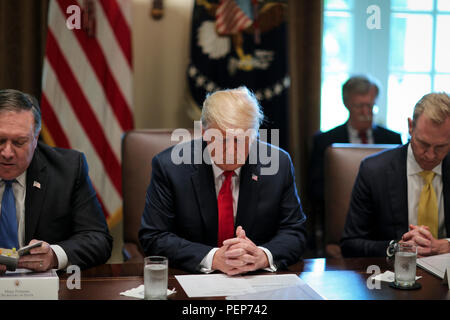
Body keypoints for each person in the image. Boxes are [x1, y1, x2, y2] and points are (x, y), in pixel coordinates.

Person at [139, 86, 307, 275]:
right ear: (204, 132)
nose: (231, 151)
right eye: (222, 140)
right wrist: (213, 258)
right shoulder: (170, 167)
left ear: (255, 135)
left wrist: (263, 255)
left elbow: (295, 232)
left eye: (241, 140)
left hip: (255, 281)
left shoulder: (278, 164)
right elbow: (154, 236)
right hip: (191, 280)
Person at [0, 89, 112, 274]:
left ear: (36, 139)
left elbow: (98, 238)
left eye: (19, 142)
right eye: (0, 140)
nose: (7, 153)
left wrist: (53, 255)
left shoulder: (67, 169)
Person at [341, 92, 450, 257]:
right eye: (423, 144)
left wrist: (447, 245)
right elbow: (350, 244)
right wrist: (396, 248)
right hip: (391, 274)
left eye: (440, 147)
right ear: (410, 127)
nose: (430, 155)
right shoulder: (374, 171)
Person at [308, 75, 402, 253]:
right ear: (347, 104)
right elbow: (316, 191)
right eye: (360, 106)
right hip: (344, 222)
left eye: (371, 105)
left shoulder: (393, 139)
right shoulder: (325, 141)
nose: (366, 112)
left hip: (385, 225)